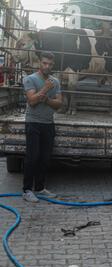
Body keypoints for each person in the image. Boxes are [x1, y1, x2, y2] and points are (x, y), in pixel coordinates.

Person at [22, 51, 63, 203]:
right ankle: (26, 190)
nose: (47, 66)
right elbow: (32, 101)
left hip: (48, 124)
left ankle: (39, 188)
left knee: (45, 158)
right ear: (40, 62)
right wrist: (45, 89)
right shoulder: (30, 79)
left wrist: (46, 100)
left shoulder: (55, 81)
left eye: (50, 64)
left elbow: (59, 104)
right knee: (32, 157)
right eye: (45, 63)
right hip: (33, 123)